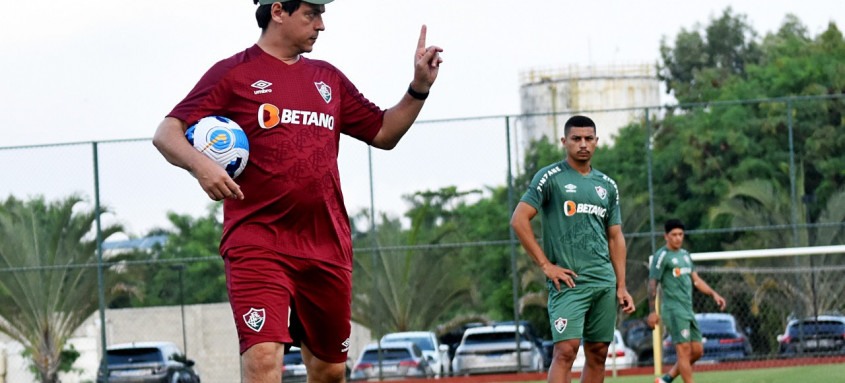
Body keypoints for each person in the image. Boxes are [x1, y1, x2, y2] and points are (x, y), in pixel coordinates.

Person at [152, 1, 442, 382]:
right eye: (311, 14)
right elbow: (167, 133)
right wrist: (201, 165)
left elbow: (384, 132)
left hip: (326, 245)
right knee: (262, 361)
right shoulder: (234, 73)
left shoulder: (328, 79)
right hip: (257, 242)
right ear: (278, 11)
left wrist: (418, 88)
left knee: (329, 372)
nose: (321, 25)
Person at [510, 115, 635, 383]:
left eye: (588, 139)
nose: (583, 144)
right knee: (566, 351)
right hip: (569, 281)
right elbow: (519, 220)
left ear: (597, 142)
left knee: (599, 352)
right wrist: (546, 265)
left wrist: (621, 285)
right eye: (576, 139)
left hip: (603, 280)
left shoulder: (607, 185)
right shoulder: (550, 177)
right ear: (564, 141)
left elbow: (615, 237)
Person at [647, 219, 726, 383]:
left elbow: (696, 280)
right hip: (673, 310)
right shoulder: (661, 256)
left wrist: (713, 294)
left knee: (697, 351)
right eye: (674, 234)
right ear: (666, 236)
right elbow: (652, 284)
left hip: (688, 310)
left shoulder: (685, 255)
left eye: (681, 234)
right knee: (683, 351)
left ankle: (666, 380)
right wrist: (653, 311)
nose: (678, 238)